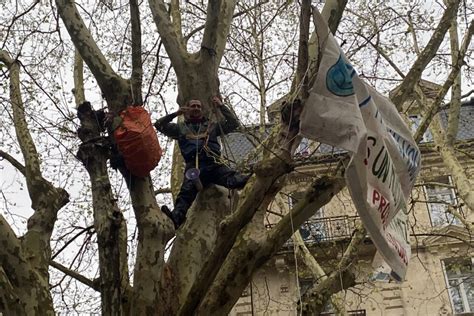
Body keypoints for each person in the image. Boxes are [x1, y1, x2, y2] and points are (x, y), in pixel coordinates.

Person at [155, 96, 250, 229]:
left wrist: (221, 106)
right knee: (185, 194)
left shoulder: (211, 126)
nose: (196, 108)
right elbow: (159, 125)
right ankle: (176, 218)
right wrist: (175, 114)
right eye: (193, 106)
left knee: (233, 179)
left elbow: (234, 123)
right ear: (187, 109)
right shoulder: (180, 128)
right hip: (194, 167)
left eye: (198, 106)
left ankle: (253, 180)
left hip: (213, 164)